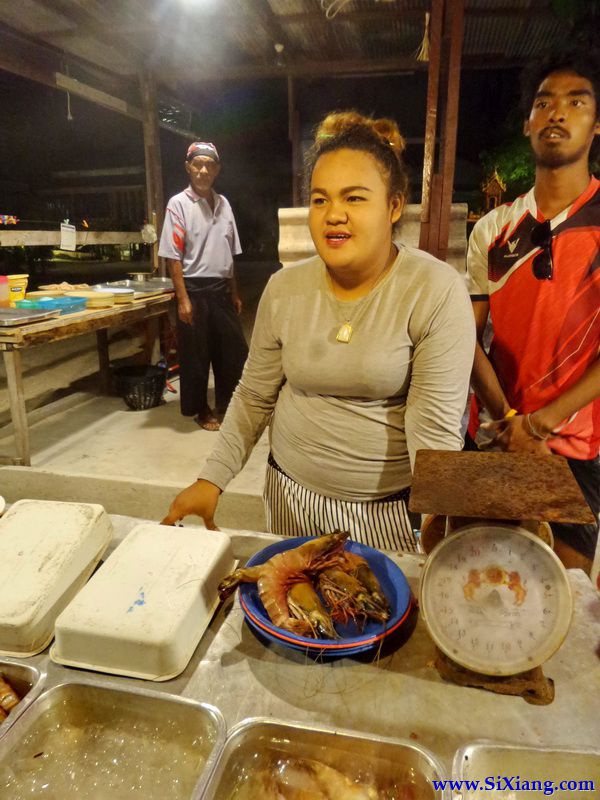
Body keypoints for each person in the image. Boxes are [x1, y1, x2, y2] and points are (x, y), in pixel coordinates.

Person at [162, 111, 475, 551]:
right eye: (321, 199)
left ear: (394, 205)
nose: (334, 216)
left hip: (386, 511)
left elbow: (435, 427)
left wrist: (437, 513)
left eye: (355, 199)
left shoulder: (434, 290)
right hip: (289, 495)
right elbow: (254, 395)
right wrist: (211, 479)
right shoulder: (285, 287)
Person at [466, 51, 600, 574]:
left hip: (577, 444)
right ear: (528, 123)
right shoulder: (492, 229)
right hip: (498, 433)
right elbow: (466, 341)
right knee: (487, 583)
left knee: (562, 595)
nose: (558, 113)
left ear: (596, 123)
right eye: (544, 103)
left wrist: (540, 425)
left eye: (576, 102)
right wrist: (507, 419)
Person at [158, 141, 248, 431]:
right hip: (193, 290)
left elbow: (231, 252)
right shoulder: (178, 204)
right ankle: (201, 409)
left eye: (210, 165)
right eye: (198, 164)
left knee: (232, 353)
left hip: (221, 289)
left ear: (217, 169)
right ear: (188, 167)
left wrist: (234, 292)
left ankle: (226, 404)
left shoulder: (224, 204)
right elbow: (173, 257)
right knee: (196, 357)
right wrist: (182, 299)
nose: (204, 170)